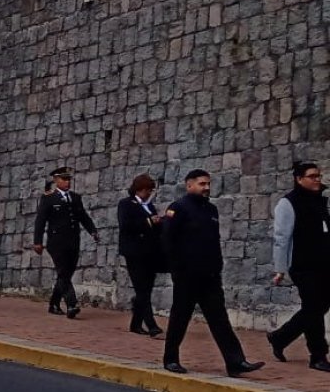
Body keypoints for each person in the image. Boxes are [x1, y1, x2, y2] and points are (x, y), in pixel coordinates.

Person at [161, 169, 264, 377]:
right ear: (189, 185)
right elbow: (167, 241)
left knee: (220, 320)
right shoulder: (178, 208)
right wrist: (177, 270)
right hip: (187, 276)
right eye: (201, 184)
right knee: (180, 318)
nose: (206, 187)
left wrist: (217, 267)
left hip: (210, 276)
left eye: (208, 184)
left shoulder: (211, 210)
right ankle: (171, 359)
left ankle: (236, 362)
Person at [268, 161, 330, 372]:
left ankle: (279, 337)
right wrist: (280, 268)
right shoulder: (288, 203)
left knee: (319, 307)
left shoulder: (321, 200)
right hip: (303, 265)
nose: (317, 179)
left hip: (324, 264)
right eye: (312, 176)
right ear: (299, 179)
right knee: (313, 307)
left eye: (318, 175)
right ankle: (318, 355)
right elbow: (281, 237)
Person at [33, 167, 98, 318]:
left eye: (69, 179)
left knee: (66, 273)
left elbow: (83, 216)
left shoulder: (75, 198)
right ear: (56, 180)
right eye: (64, 179)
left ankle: (54, 303)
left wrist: (92, 230)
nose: (67, 182)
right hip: (56, 242)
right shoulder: (48, 198)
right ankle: (71, 304)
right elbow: (40, 221)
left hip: (73, 241)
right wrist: (37, 241)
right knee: (63, 271)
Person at [117, 174, 165, 336]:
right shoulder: (126, 204)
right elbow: (126, 225)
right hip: (134, 252)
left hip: (149, 253)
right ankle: (151, 325)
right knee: (142, 289)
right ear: (140, 189)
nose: (149, 194)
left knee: (146, 289)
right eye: (147, 190)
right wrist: (149, 222)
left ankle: (136, 323)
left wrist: (160, 222)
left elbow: (154, 228)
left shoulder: (149, 206)